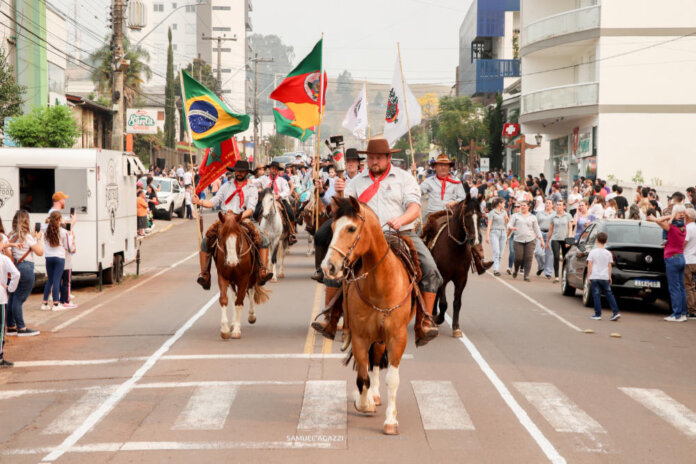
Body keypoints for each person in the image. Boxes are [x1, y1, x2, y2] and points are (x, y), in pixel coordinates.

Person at [313, 138, 443, 346]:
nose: (374, 161)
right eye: (371, 158)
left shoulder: (404, 178)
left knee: (430, 270)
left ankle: (424, 321)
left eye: (379, 158)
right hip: (365, 238)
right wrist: (338, 193)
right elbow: (340, 212)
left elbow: (415, 208)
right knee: (335, 263)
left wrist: (400, 220)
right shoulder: (356, 182)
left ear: (388, 158)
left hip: (401, 233)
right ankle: (330, 317)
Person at [192, 160, 273, 289]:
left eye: (241, 171)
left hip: (244, 218)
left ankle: (263, 270)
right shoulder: (226, 186)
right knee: (205, 241)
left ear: (247, 173)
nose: (238, 173)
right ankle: (205, 274)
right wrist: (199, 202)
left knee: (263, 239)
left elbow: (251, 209)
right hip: (224, 219)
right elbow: (214, 202)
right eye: (237, 170)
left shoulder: (252, 188)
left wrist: (237, 218)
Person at [6, 210, 43, 337]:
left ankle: (11, 326)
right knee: (19, 298)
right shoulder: (27, 237)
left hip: (15, 267)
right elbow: (40, 252)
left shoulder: (12, 236)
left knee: (12, 297)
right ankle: (21, 328)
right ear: (26, 221)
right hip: (26, 268)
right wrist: (38, 239)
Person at [649, 205, 687, 321]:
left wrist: (671, 216)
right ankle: (683, 313)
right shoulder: (683, 227)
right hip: (680, 256)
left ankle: (676, 314)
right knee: (681, 287)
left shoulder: (671, 227)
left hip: (672, 257)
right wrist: (677, 214)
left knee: (674, 287)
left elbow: (658, 221)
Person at [253, 161, 297, 245]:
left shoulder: (282, 180)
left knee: (290, 213)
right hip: (266, 200)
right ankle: (255, 232)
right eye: (272, 168)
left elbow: (286, 191)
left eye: (276, 169)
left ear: (278, 171)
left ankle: (291, 233)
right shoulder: (263, 179)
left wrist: (278, 196)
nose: (274, 170)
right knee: (255, 213)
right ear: (270, 169)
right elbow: (254, 182)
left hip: (279, 200)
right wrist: (250, 181)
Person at [419, 154, 467, 219]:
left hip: (451, 214)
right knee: (420, 228)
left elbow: (463, 198)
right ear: (435, 167)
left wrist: (454, 202)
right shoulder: (429, 181)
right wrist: (412, 174)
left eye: (445, 165)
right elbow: (417, 192)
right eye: (440, 165)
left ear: (449, 167)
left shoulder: (456, 181)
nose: (443, 167)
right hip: (433, 214)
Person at [587, 232, 621, 321]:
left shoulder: (592, 252)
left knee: (596, 294)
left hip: (594, 276)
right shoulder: (608, 253)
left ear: (596, 240)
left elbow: (590, 264)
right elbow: (609, 265)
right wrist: (610, 277)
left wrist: (588, 275)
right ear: (606, 241)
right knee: (609, 294)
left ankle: (597, 314)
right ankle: (615, 312)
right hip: (605, 276)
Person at [508, 201, 544, 281]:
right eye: (521, 205)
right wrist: (511, 227)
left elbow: (537, 229)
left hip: (530, 239)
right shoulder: (515, 216)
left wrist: (541, 240)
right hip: (518, 239)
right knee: (518, 258)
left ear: (528, 207)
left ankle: (526, 275)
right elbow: (509, 224)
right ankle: (516, 269)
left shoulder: (533, 217)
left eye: (524, 205)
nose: (522, 207)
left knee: (529, 257)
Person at [42, 211, 69, 311]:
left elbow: (37, 227)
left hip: (48, 257)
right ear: (60, 220)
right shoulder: (63, 231)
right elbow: (67, 246)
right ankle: (56, 304)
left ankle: (44, 303)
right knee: (57, 280)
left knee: (50, 280)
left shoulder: (45, 228)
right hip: (59, 257)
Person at [546, 200, 573, 283]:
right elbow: (550, 230)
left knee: (566, 258)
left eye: (560, 205)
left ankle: (564, 276)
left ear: (564, 206)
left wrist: (569, 241)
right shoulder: (553, 217)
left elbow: (570, 228)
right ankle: (557, 276)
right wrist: (547, 241)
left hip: (565, 239)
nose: (558, 206)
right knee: (556, 257)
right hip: (555, 239)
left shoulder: (568, 216)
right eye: (557, 205)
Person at [0, 251, 19, 367]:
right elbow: (16, 274)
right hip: (0, 297)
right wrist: (10, 288)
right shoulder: (3, 258)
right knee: (1, 327)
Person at [486, 197, 508, 276]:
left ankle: (496, 266)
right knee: (496, 252)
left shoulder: (504, 212)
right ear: (499, 204)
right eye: (504, 203)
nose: (505, 204)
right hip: (494, 232)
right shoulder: (492, 213)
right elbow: (489, 225)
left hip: (503, 233)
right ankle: (496, 269)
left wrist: (507, 219)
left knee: (501, 253)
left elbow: (506, 224)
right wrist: (487, 236)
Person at [534, 199, 555, 279]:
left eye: (550, 203)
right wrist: (535, 233)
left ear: (552, 205)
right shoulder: (539, 213)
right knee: (538, 252)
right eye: (547, 203)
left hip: (550, 234)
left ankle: (548, 272)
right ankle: (541, 266)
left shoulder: (554, 214)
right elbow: (535, 224)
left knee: (549, 254)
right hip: (541, 233)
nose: (548, 204)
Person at [59, 222, 77, 309]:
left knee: (59, 282)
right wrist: (73, 239)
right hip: (67, 264)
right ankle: (66, 300)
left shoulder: (57, 237)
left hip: (59, 264)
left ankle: (60, 300)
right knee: (66, 283)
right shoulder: (67, 237)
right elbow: (73, 250)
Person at [684, 207, 696, 317]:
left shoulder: (688, 228)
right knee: (692, 285)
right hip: (694, 259)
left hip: (687, 259)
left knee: (688, 285)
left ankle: (691, 310)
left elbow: (684, 242)